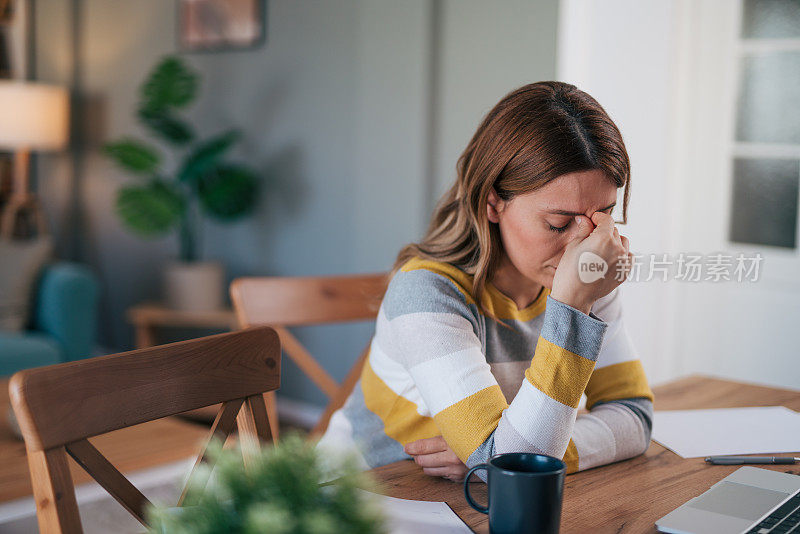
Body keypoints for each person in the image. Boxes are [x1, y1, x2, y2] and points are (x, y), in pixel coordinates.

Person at [316, 81, 654, 482]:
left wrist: (497, 455)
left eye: (603, 216)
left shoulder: (586, 281)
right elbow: (512, 465)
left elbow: (634, 417)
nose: (586, 244)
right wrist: (499, 456)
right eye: (558, 223)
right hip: (359, 498)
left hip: (468, 503)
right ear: (492, 202)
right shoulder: (425, 292)